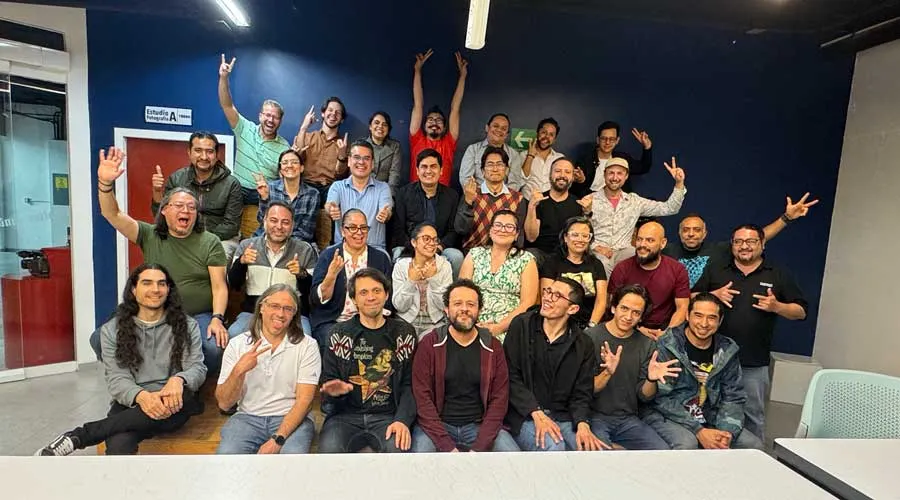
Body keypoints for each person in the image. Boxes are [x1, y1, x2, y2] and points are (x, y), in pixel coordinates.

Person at [36, 264, 206, 455]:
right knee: (118, 445)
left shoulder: (187, 325)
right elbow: (117, 378)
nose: (155, 290)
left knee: (177, 400)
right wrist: (142, 397)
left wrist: (179, 379)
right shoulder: (112, 330)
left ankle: (80, 436)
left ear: (168, 290)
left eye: (161, 284)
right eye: (147, 283)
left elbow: (196, 367)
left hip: (173, 401)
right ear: (134, 289)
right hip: (132, 402)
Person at [96, 148, 230, 372]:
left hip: (198, 315)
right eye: (178, 206)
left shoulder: (210, 241)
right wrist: (105, 184)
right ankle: (134, 378)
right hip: (153, 311)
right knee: (99, 339)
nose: (185, 210)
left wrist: (217, 318)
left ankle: (199, 389)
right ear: (165, 211)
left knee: (214, 348)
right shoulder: (149, 234)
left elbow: (219, 287)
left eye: (191, 207)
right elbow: (113, 214)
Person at [692, 224, 807, 442]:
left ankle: (752, 461)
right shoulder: (717, 269)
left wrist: (777, 307)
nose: (744, 246)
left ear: (762, 244)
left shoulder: (778, 273)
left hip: (753, 363)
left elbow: (801, 312)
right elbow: (691, 297)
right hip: (712, 361)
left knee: (753, 417)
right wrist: (712, 294)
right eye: (738, 242)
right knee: (705, 412)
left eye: (751, 241)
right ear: (732, 245)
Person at [642, 293, 764, 450]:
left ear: (720, 321)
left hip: (710, 417)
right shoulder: (667, 345)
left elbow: (733, 397)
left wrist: (726, 432)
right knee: (687, 444)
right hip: (668, 415)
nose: (704, 323)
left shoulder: (727, 350)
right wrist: (698, 430)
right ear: (687, 315)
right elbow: (661, 399)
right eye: (698, 316)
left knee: (753, 445)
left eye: (712, 318)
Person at [411, 280, 519, 452]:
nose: (464, 309)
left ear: (479, 310)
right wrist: (446, 446)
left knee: (513, 458)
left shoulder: (492, 346)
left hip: (479, 426)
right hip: (437, 426)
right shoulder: (430, 344)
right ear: (446, 309)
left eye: (471, 304)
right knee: (421, 459)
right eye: (457, 303)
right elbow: (422, 398)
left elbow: (499, 400)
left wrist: (479, 447)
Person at [318, 268, 417, 453]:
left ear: (386, 295)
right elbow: (329, 386)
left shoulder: (404, 333)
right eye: (363, 292)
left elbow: (409, 384)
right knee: (328, 451)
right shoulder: (339, 334)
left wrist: (402, 420)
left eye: (376, 291)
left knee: (398, 450)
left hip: (389, 416)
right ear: (354, 299)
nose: (371, 297)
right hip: (345, 417)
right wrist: (335, 393)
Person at [504, 277, 608, 451]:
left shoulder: (583, 343)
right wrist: (535, 411)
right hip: (525, 415)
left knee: (592, 452)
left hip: (563, 416)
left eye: (557, 295)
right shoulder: (522, 325)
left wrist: (582, 422)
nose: (548, 298)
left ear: (573, 308)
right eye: (548, 291)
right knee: (554, 448)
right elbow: (510, 376)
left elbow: (582, 393)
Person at [215, 284, 320, 454]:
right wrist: (238, 372)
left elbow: (304, 401)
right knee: (227, 459)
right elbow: (225, 403)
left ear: (294, 315)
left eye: (288, 309)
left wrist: (278, 439)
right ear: (261, 307)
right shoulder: (238, 344)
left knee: (293, 461)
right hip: (247, 418)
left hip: (290, 418)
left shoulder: (307, 345)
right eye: (274, 306)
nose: (280, 313)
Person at [585, 284, 679, 450]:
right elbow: (583, 391)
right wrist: (607, 372)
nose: (628, 316)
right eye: (624, 308)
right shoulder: (589, 338)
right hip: (593, 417)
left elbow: (644, 396)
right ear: (613, 308)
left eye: (636, 313)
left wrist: (651, 379)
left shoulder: (646, 344)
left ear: (641, 318)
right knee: (599, 455)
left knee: (661, 452)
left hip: (628, 419)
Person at [664, 193, 819, 287]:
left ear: (705, 233)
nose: (691, 234)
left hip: (705, 318)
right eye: (686, 230)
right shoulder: (667, 250)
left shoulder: (719, 250)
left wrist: (786, 218)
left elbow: (756, 236)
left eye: (697, 230)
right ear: (679, 233)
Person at [217, 54, 291, 237]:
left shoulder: (284, 146)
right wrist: (224, 78)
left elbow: (286, 177)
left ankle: (260, 243)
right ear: (260, 116)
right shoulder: (245, 128)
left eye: (275, 117)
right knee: (223, 195)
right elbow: (227, 105)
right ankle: (225, 242)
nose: (270, 120)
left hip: (266, 192)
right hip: (240, 187)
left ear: (280, 121)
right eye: (267, 115)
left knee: (277, 212)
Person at [228, 201, 318, 337]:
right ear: (264, 221)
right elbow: (233, 283)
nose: (279, 227)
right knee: (233, 334)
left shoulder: (304, 249)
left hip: (292, 313)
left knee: (304, 337)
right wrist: (241, 263)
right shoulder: (247, 246)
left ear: (292, 225)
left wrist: (301, 274)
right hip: (254, 311)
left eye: (285, 222)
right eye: (273, 221)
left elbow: (313, 293)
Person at [150, 131, 242, 261]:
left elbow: (231, 226)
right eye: (198, 150)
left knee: (218, 257)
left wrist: (200, 241)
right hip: (181, 235)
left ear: (217, 155)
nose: (204, 157)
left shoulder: (231, 184)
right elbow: (161, 215)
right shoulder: (177, 179)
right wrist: (157, 191)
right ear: (189, 152)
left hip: (220, 239)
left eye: (209, 151)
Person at [588, 156, 687, 276]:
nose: (615, 177)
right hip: (597, 251)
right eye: (611, 173)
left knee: (638, 260)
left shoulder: (635, 201)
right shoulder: (590, 200)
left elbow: (669, 208)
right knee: (601, 264)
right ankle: (608, 294)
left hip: (624, 250)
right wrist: (595, 247)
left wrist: (679, 183)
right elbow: (580, 231)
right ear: (604, 175)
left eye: (619, 173)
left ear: (626, 176)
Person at [309, 210, 393, 347]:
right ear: (343, 231)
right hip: (334, 320)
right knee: (332, 339)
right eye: (353, 228)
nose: (359, 233)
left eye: (363, 228)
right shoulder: (329, 255)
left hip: (371, 319)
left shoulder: (380, 258)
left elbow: (387, 297)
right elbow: (316, 301)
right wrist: (331, 276)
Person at [459, 210, 538, 342]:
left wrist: (499, 327)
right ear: (490, 230)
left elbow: (527, 303)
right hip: (472, 320)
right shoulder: (474, 254)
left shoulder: (526, 259)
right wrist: (471, 323)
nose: (503, 230)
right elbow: (462, 292)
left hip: (509, 325)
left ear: (517, 234)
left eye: (509, 227)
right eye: (498, 225)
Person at [608, 221, 690, 340]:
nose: (642, 245)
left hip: (664, 331)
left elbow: (682, 307)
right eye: (639, 239)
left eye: (650, 240)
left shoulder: (677, 269)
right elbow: (613, 305)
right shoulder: (622, 268)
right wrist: (637, 328)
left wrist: (667, 334)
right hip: (628, 328)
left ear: (663, 243)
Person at [392, 149, 463, 277]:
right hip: (410, 247)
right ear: (417, 171)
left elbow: (453, 230)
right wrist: (416, 248)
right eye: (424, 167)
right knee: (398, 254)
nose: (429, 171)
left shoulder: (451, 196)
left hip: (440, 248)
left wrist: (439, 247)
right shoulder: (403, 194)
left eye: (433, 167)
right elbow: (398, 229)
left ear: (441, 170)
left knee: (456, 256)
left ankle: (453, 295)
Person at [294, 97, 350, 250]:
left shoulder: (343, 144)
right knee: (307, 194)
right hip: (307, 184)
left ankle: (332, 247)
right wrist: (304, 128)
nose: (333, 114)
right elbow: (297, 157)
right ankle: (305, 244)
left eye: (338, 113)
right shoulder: (308, 136)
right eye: (330, 110)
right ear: (323, 114)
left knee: (338, 201)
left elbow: (340, 174)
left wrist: (342, 155)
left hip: (329, 187)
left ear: (342, 119)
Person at [409, 49, 468, 186]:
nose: (434, 123)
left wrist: (463, 76)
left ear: (445, 126)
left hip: (442, 198)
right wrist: (417, 70)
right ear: (423, 125)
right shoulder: (416, 139)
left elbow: (455, 108)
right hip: (415, 196)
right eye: (430, 120)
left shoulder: (449, 142)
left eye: (439, 120)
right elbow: (418, 104)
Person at [455, 147, 528, 250]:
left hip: (505, 255)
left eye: (499, 164)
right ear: (482, 171)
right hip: (473, 253)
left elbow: (518, 234)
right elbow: (461, 229)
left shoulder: (517, 198)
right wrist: (468, 202)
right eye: (490, 165)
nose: (495, 169)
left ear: (506, 170)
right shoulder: (471, 194)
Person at [541, 216, 607, 330]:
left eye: (585, 236)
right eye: (575, 235)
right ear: (565, 237)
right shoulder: (552, 262)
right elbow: (548, 297)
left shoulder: (596, 264)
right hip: (558, 322)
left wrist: (591, 326)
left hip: (589, 324)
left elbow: (601, 301)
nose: (580, 240)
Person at [325, 140, 393, 251]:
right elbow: (330, 205)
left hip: (374, 250)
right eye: (357, 157)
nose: (361, 162)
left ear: (372, 164)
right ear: (349, 161)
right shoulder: (337, 187)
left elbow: (387, 210)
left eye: (366, 158)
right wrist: (331, 209)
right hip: (343, 249)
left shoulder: (383, 188)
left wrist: (386, 213)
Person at [524, 157, 591, 266]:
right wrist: (532, 207)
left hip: (567, 255)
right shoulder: (539, 201)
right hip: (541, 254)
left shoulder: (578, 204)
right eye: (558, 171)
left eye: (567, 172)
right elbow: (531, 238)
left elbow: (583, 238)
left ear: (573, 177)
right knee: (529, 255)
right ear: (550, 175)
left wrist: (587, 213)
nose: (562, 175)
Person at [392, 223, 453, 338]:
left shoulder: (445, 266)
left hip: (435, 324)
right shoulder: (401, 265)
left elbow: (444, 305)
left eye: (435, 240)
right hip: (406, 322)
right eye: (426, 239)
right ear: (414, 242)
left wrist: (433, 279)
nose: (431, 243)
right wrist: (411, 281)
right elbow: (400, 306)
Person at [252, 148, 320, 244]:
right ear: (280, 171)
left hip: (296, 243)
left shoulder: (312, 194)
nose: (289, 166)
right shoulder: (269, 188)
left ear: (301, 168)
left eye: (294, 162)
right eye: (284, 163)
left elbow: (306, 232)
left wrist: (282, 244)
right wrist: (264, 198)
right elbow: (262, 220)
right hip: (267, 239)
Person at [572, 121, 653, 197]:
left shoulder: (623, 159)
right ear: (598, 140)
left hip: (619, 204)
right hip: (593, 201)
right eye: (604, 138)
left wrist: (647, 147)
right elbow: (577, 191)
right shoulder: (585, 160)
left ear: (617, 140)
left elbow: (643, 168)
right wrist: (581, 181)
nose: (607, 142)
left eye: (612, 139)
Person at [458, 113, 525, 190]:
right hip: (476, 198)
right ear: (487, 128)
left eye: (503, 129)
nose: (499, 130)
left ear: (507, 134)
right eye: (496, 126)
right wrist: (482, 198)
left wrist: (500, 199)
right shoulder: (473, 150)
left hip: (505, 200)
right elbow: (465, 179)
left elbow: (515, 183)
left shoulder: (514, 155)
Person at [521, 118, 566, 200]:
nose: (546, 137)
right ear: (537, 133)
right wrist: (530, 156)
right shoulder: (524, 155)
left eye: (551, 135)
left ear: (554, 139)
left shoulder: (560, 158)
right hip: (528, 201)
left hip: (551, 203)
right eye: (544, 132)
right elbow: (520, 180)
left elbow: (563, 183)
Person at [364, 111, 402, 194]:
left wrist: (388, 197)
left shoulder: (395, 146)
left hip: (385, 192)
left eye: (384, 125)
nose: (380, 126)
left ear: (388, 129)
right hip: (363, 190)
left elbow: (394, 174)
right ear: (370, 126)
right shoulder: (361, 146)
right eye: (376, 123)